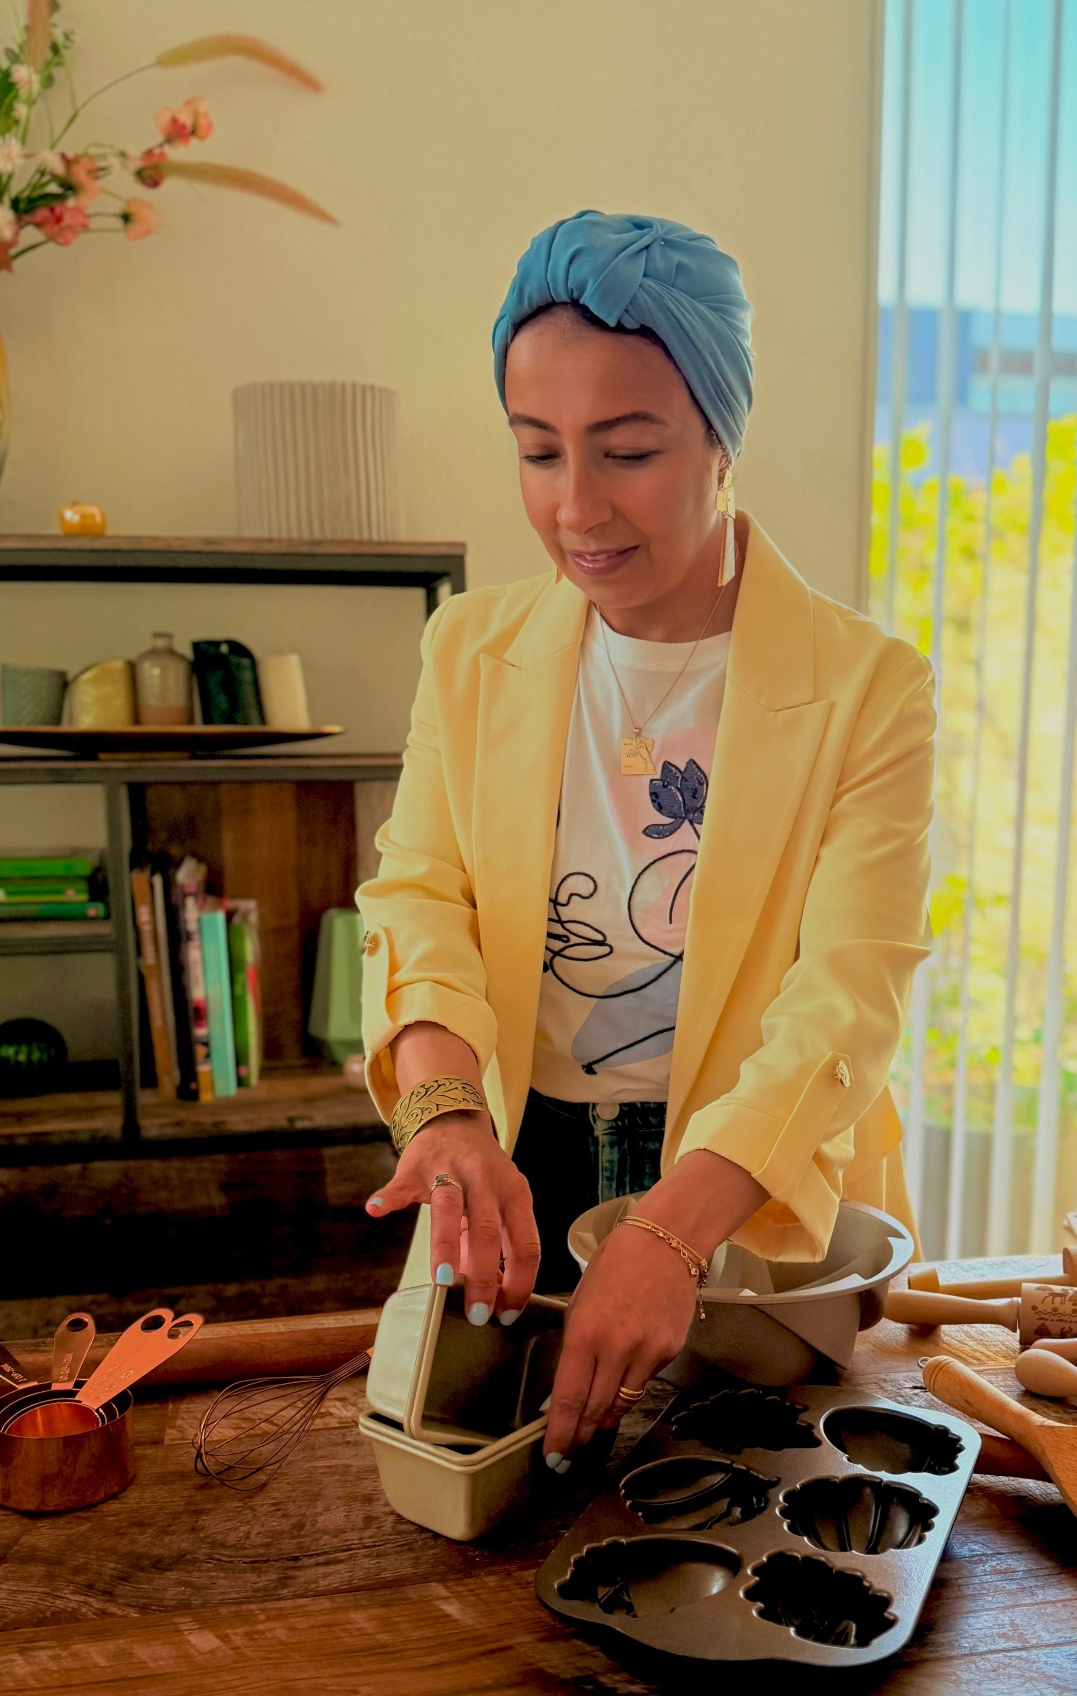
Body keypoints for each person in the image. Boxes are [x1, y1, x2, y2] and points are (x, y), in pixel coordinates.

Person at [358, 210, 935, 1470]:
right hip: (525, 1157)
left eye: (627, 451)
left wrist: (670, 1233)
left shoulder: (868, 687)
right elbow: (420, 898)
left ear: (723, 436)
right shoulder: (470, 648)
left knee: (758, 1507)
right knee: (488, 1532)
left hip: (745, 1176)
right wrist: (448, 1114)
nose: (576, 509)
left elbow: (848, 999)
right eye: (537, 451)